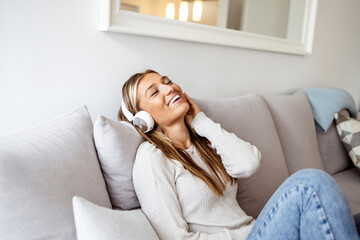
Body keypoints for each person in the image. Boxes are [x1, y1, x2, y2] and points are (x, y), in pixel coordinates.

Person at [118, 69, 359, 240]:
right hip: (250, 235)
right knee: (309, 184)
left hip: (256, 231)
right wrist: (248, 233)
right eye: (154, 92)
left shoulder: (205, 141)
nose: (169, 88)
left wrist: (201, 121)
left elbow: (249, 163)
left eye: (167, 81)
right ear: (143, 119)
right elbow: (175, 238)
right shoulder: (152, 158)